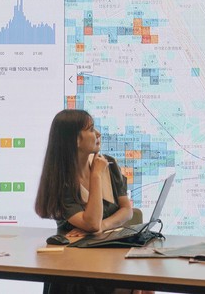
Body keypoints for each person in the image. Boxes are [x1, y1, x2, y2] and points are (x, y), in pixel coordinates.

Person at [36, 109, 145, 294]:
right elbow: (92, 223)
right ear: (76, 140)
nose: (98, 134)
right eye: (91, 129)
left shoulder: (108, 163)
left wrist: (104, 225)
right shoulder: (63, 181)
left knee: (144, 282)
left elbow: (127, 210)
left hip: (108, 255)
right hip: (75, 268)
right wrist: (96, 175)